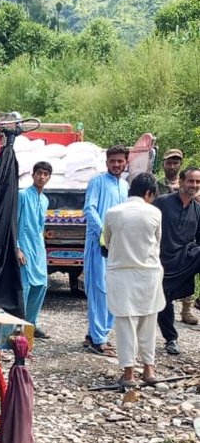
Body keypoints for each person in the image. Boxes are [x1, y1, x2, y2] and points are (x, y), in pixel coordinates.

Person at [103, 173, 164, 389]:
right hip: (149, 274)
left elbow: (108, 242)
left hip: (121, 274)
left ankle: (129, 373)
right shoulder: (155, 212)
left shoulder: (112, 213)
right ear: (149, 193)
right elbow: (157, 241)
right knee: (148, 322)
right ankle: (149, 369)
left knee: (126, 324)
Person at [83, 145, 129, 354]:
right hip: (98, 244)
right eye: (113, 161)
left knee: (112, 289)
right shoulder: (98, 182)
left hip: (117, 246)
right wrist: (103, 233)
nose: (117, 165)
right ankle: (98, 339)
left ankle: (97, 333)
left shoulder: (124, 186)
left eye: (120, 161)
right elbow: (89, 208)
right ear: (107, 162)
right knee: (98, 290)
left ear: (125, 162)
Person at [156, 167, 200, 355]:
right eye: (191, 181)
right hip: (162, 260)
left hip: (185, 258)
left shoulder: (198, 209)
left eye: (198, 182)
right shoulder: (163, 203)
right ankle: (171, 339)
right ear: (181, 182)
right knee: (163, 302)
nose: (194, 185)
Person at [159, 148, 198, 323]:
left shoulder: (196, 204)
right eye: (170, 163)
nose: (173, 166)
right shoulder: (159, 192)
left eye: (176, 163)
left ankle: (188, 308)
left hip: (184, 256)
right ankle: (170, 338)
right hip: (162, 254)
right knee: (163, 298)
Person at [16, 160, 51, 338]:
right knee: (26, 286)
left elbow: (41, 227)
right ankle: (20, 325)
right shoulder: (22, 195)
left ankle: (32, 323)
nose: (42, 177)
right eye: (39, 173)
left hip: (38, 248)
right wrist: (17, 248)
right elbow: (13, 223)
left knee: (42, 285)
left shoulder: (45, 200)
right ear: (33, 174)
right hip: (24, 246)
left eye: (45, 174)